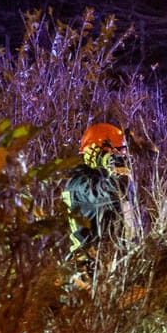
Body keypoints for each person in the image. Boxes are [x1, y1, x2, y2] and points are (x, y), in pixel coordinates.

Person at [62, 122, 139, 285]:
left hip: (112, 267)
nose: (118, 159)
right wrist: (115, 167)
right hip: (86, 270)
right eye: (113, 153)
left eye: (119, 154)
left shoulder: (102, 180)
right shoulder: (79, 183)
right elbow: (117, 191)